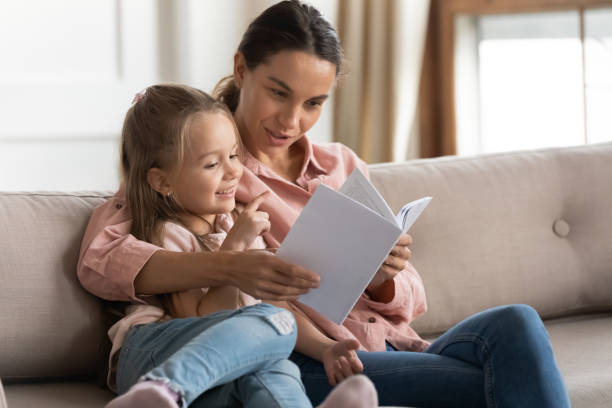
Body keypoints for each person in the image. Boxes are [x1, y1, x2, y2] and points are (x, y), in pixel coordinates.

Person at [79, 1, 571, 407]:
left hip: (392, 343)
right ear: (240, 69)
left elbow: (413, 299)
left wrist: (384, 277)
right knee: (505, 380)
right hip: (306, 357)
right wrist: (230, 263)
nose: (292, 120)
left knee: (516, 324)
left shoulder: (340, 165)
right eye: (279, 93)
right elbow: (103, 258)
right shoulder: (200, 173)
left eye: (314, 103)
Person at [99, 84, 378, 408]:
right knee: (275, 327)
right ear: (163, 181)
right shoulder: (166, 234)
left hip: (212, 376)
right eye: (211, 164)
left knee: (275, 368)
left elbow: (274, 308)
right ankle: (166, 388)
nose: (234, 171)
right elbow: (203, 317)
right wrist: (236, 244)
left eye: (233, 155)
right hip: (152, 350)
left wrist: (326, 348)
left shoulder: (230, 223)